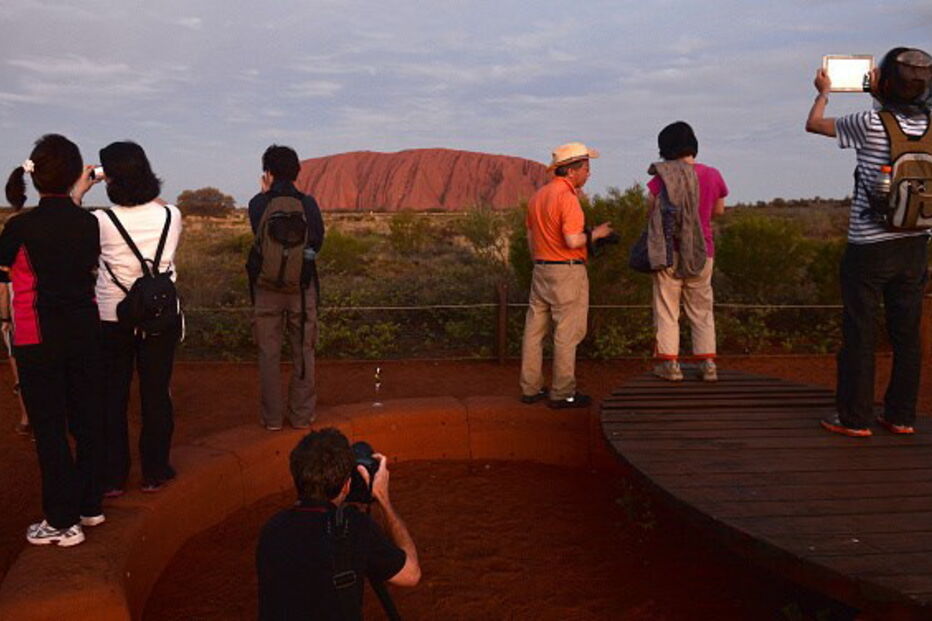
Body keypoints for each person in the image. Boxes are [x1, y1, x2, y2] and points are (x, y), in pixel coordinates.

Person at [805, 47, 932, 437]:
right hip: (916, 243)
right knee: (906, 334)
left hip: (869, 246)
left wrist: (823, 92)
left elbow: (815, 125)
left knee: (859, 331)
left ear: (886, 83)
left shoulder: (868, 121)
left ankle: (856, 418)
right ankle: (901, 416)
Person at [0, 134, 105, 546]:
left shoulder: (20, 227)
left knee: (49, 428)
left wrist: (3, 318)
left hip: (36, 337)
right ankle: (90, 506)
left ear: (35, 175)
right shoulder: (88, 223)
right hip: (85, 332)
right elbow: (67, 223)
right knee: (85, 420)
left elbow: (5, 280)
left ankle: (61, 521)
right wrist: (76, 194)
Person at [256, 428, 420, 620]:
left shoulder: (272, 529)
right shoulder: (353, 528)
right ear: (347, 485)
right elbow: (411, 574)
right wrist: (383, 500)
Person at [94, 141, 182, 494]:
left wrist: (83, 188)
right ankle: (155, 471)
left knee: (112, 397)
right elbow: (156, 204)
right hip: (160, 316)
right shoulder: (171, 215)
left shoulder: (99, 221)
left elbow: (68, 224)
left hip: (113, 318)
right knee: (156, 394)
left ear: (111, 179)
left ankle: (114, 477)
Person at [519, 142, 613, 409]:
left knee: (534, 331)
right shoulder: (567, 198)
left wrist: (539, 261)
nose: (589, 173)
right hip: (567, 271)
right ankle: (562, 393)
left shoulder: (538, 197)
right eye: (586, 168)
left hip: (541, 269)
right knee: (566, 333)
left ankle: (530, 388)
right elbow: (573, 240)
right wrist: (598, 234)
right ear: (572, 171)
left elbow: (530, 236)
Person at [247, 145, 324, 431]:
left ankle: (272, 420)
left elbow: (257, 236)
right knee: (304, 350)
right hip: (301, 289)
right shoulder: (308, 203)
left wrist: (266, 191)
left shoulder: (258, 203)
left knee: (268, 353)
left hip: (266, 288)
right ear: (296, 172)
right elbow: (317, 241)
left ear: (267, 172)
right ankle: (302, 416)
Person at [646, 122, 728, 382]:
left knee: (667, 308)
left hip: (669, 252)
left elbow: (650, 210)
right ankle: (707, 364)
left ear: (665, 148)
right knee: (702, 307)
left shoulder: (662, 177)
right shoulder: (713, 175)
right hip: (703, 250)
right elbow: (719, 211)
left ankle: (670, 365)